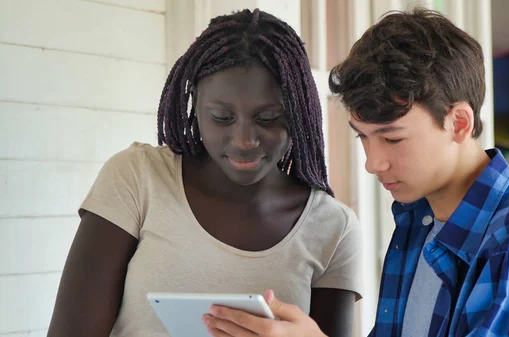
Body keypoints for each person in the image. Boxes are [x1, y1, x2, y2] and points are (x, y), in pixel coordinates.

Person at [203, 8, 509, 337]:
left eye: (392, 139)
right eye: (363, 137)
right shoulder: (419, 221)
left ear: (459, 123)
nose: (373, 162)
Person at [47, 9, 362, 337]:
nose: (244, 142)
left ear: (299, 113)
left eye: (268, 118)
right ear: (194, 105)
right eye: (222, 118)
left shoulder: (333, 229)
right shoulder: (137, 178)